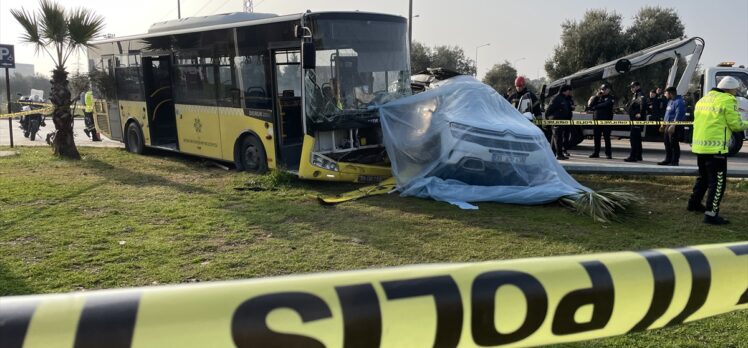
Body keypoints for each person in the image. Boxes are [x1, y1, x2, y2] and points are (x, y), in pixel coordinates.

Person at [687, 76, 748, 225]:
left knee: (703, 178)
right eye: (735, 90)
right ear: (729, 89)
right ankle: (711, 215)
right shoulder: (728, 100)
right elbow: (736, 125)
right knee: (718, 183)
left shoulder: (704, 99)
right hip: (716, 148)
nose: (735, 93)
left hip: (700, 147)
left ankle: (693, 204)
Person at [658, 87, 685, 166]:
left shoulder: (679, 102)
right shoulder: (670, 101)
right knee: (667, 142)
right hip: (668, 125)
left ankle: (675, 161)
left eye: (666, 93)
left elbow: (679, 114)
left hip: (674, 126)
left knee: (673, 143)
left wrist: (673, 125)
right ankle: (668, 159)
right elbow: (668, 113)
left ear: (670, 93)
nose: (665, 94)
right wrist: (664, 123)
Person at [545, 85, 573, 160]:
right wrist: (548, 119)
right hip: (556, 121)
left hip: (562, 121)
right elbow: (548, 110)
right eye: (568, 91)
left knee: (555, 137)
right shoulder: (556, 98)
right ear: (565, 90)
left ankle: (553, 154)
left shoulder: (563, 98)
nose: (569, 92)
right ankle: (559, 155)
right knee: (558, 138)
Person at [587, 83, 615, 159]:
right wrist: (596, 96)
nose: (603, 91)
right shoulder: (598, 97)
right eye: (602, 89)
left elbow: (606, 105)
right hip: (597, 120)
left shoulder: (611, 97)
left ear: (608, 90)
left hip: (606, 121)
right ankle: (596, 153)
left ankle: (608, 154)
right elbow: (590, 105)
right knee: (596, 137)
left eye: (604, 89)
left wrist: (596, 106)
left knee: (606, 138)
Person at [625, 81, 645, 162]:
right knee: (637, 138)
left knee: (633, 139)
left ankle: (633, 157)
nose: (631, 88)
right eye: (631, 87)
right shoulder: (636, 95)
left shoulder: (640, 94)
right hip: (634, 119)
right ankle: (638, 156)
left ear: (637, 86)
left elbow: (643, 104)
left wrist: (639, 114)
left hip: (637, 120)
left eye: (633, 87)